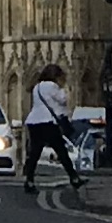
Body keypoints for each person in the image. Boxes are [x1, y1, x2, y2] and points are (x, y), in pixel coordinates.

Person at [21, 63, 84, 193]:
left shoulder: (36, 87)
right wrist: (64, 88)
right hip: (48, 122)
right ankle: (74, 178)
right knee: (61, 151)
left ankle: (29, 180)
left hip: (34, 122)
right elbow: (63, 99)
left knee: (35, 152)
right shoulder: (52, 86)